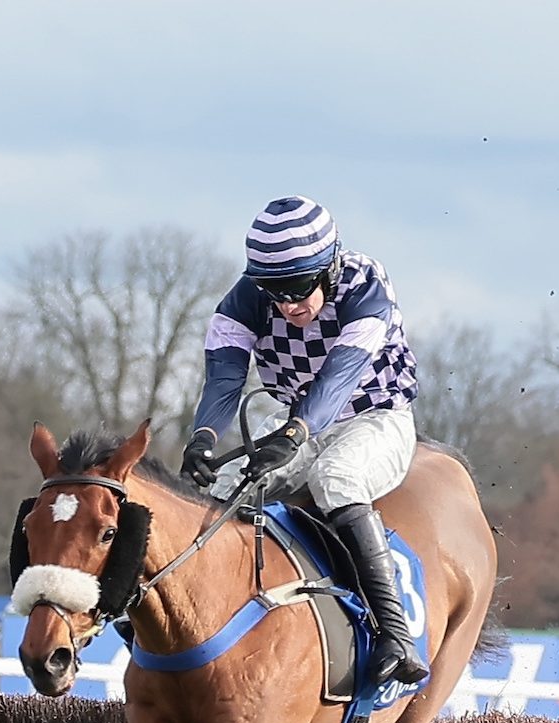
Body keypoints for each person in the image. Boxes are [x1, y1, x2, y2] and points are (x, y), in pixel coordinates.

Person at [180, 196, 427, 686]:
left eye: (298, 289)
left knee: (334, 476)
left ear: (330, 268)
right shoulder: (244, 300)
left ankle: (395, 636)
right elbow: (225, 380)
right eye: (275, 292)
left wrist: (294, 432)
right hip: (299, 418)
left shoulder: (365, 285)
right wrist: (202, 441)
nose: (288, 305)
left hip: (375, 417)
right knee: (222, 486)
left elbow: (339, 378)